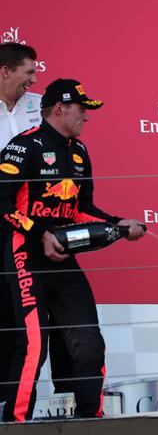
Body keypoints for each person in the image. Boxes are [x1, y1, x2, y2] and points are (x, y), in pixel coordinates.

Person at [0, 79, 146, 422]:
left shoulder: (79, 151)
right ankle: (15, 421)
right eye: (82, 108)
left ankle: (89, 420)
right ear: (59, 108)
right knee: (35, 345)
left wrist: (117, 223)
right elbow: (2, 202)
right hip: (26, 253)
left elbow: (82, 209)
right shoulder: (24, 146)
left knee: (88, 342)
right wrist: (41, 233)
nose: (86, 116)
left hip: (64, 258)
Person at [0, 42, 72, 403]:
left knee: (58, 305)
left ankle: (68, 396)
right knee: (8, 312)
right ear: (6, 72)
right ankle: (7, 401)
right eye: (29, 72)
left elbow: (63, 144)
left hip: (44, 217)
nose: (34, 79)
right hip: (3, 219)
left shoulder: (41, 103)